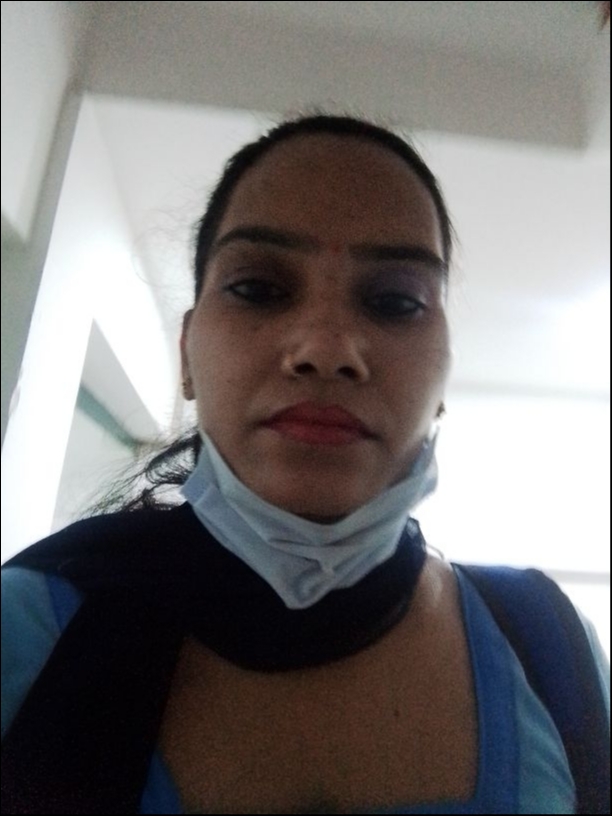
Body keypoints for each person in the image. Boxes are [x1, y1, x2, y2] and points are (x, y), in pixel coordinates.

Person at [1, 114, 609, 815]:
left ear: (444, 378)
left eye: (396, 301)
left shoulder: (551, 648)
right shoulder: (23, 629)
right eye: (259, 288)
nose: (326, 349)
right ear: (187, 354)